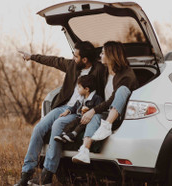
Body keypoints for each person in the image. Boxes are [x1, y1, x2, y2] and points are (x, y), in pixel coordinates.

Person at [15, 41, 105, 186]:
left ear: (85, 59)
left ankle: (47, 175)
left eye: (75, 56)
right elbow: (53, 61)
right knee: (38, 129)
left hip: (79, 111)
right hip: (63, 107)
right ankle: (26, 174)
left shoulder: (99, 70)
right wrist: (31, 56)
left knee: (57, 125)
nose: (73, 58)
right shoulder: (72, 66)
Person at [72, 41, 139, 164]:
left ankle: (107, 125)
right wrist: (90, 107)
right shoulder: (106, 72)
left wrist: (93, 110)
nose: (100, 56)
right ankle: (84, 151)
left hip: (121, 114)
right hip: (106, 112)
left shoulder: (127, 75)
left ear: (111, 56)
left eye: (103, 53)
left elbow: (112, 99)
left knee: (122, 90)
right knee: (95, 117)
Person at [54, 75, 103, 143]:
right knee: (72, 123)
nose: (77, 89)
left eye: (79, 87)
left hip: (88, 120)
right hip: (79, 117)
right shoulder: (80, 98)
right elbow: (74, 107)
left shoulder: (96, 98)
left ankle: (73, 134)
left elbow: (98, 109)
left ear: (86, 89)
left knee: (81, 125)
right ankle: (63, 134)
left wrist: (89, 111)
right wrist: (67, 111)